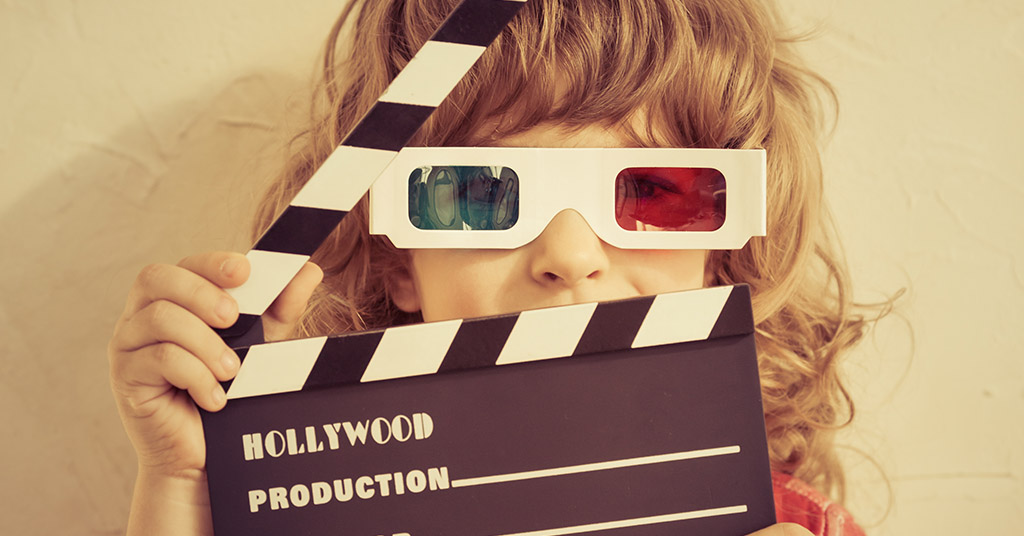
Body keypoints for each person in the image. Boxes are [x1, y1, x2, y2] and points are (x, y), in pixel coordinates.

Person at [107, 1, 883, 534]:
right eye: (480, 193)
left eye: (651, 190)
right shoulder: (328, 506)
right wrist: (186, 486)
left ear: (724, 252)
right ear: (395, 262)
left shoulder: (790, 522)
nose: (572, 256)